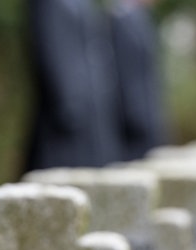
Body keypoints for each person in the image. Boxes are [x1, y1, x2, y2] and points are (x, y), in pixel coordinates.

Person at [22, 0, 123, 173]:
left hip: (91, 125)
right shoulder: (50, 5)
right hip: (66, 132)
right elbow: (53, 54)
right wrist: (71, 112)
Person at [110, 0, 168, 160]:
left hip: (148, 115)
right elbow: (124, 71)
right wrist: (136, 115)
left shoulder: (141, 18)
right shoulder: (121, 18)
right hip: (133, 120)